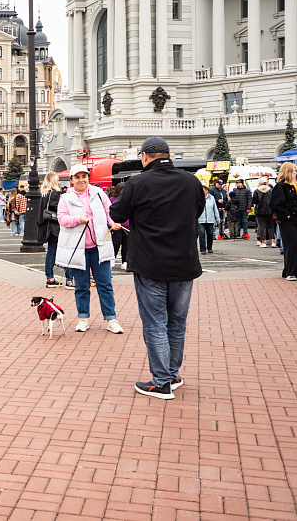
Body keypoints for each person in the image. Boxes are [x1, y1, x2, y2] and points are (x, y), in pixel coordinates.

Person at [110, 136, 205, 400]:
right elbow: (196, 212)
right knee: (177, 321)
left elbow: (118, 215)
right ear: (168, 154)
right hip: (184, 261)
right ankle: (172, 374)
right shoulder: (191, 181)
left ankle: (161, 381)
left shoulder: (137, 182)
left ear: (144, 157)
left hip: (151, 262)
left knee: (155, 322)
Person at [56, 164, 124, 334]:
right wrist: (77, 219)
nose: (81, 180)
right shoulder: (66, 198)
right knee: (81, 286)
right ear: (71, 180)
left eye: (84, 176)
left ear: (88, 178)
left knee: (105, 284)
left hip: (99, 246)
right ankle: (83, 318)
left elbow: (109, 212)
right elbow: (61, 218)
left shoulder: (99, 194)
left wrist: (113, 223)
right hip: (78, 248)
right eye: (77, 177)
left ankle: (111, 319)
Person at [270, 162, 297, 281]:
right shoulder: (280, 187)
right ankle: (291, 272)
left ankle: (295, 271)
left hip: (296, 219)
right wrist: (286, 215)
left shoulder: (290, 186)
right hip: (288, 220)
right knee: (291, 245)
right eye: (294, 171)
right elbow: (274, 204)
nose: (296, 173)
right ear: (289, 172)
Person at [39, 172, 62, 288]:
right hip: (55, 225)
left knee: (51, 251)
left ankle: (50, 276)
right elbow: (59, 209)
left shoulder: (44, 193)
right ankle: (54, 278)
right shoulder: (55, 193)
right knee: (56, 251)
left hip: (47, 225)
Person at [109, 182, 129, 269]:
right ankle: (112, 258)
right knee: (116, 242)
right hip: (116, 225)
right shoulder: (112, 199)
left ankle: (125, 261)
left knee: (126, 244)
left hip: (127, 225)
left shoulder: (129, 200)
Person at [251, 178, 276, 248]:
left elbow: (254, 201)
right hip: (269, 210)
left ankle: (263, 242)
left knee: (261, 226)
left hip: (260, 210)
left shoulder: (257, 191)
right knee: (270, 226)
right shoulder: (270, 190)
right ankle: (273, 242)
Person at [198, 183, 219, 254]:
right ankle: (202, 249)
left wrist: (217, 218)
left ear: (207, 190)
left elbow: (215, 208)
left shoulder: (211, 198)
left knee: (210, 234)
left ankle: (209, 248)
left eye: (204, 190)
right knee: (201, 234)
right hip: (201, 219)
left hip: (210, 219)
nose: (202, 191)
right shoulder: (198, 198)